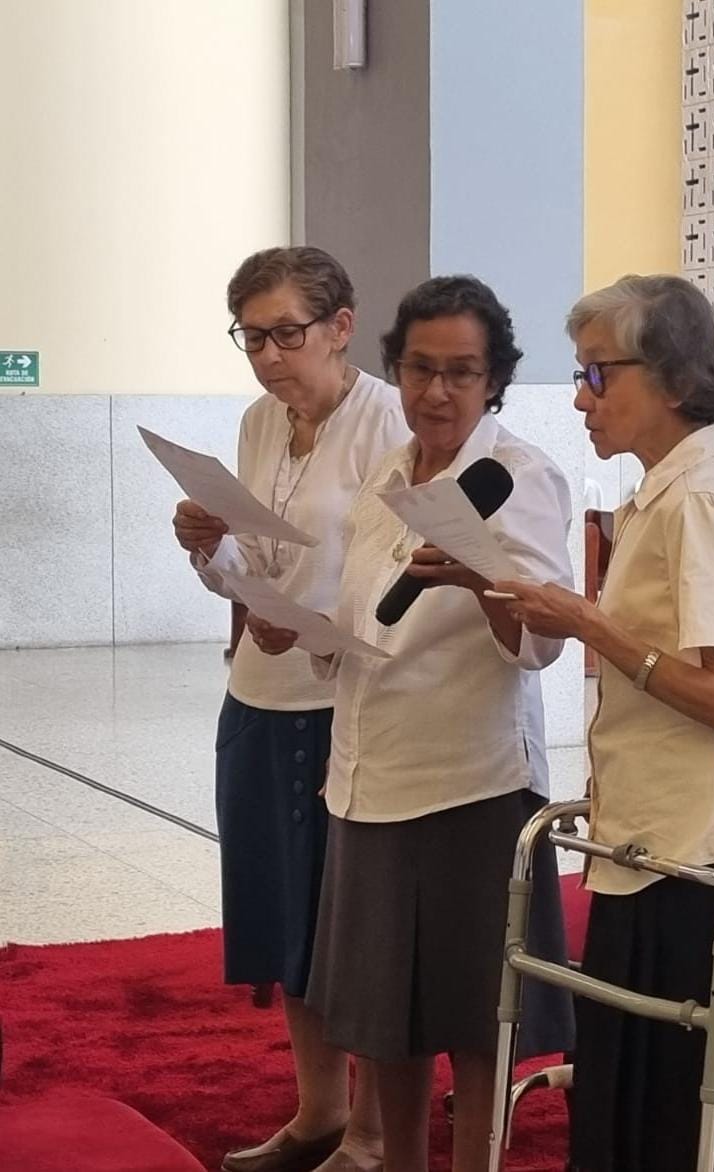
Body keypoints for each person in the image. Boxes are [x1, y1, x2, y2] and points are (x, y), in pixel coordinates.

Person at [497, 274, 714, 1172]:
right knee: (640, 1104)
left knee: (689, 1119)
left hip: (700, 857)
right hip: (653, 843)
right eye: (580, 373)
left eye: (598, 374)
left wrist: (589, 622)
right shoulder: (665, 494)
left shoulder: (697, 502)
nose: (580, 397)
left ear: (672, 379)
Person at [260, 275, 575, 1172]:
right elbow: (364, 615)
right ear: (395, 370)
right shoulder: (388, 477)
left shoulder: (520, 478)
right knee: (381, 1015)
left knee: (474, 1017)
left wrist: (481, 579)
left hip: (468, 782)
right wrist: (305, 633)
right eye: (419, 369)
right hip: (368, 776)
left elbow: (543, 642)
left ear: (494, 380)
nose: (437, 392)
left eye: (461, 373)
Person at [171, 246, 410, 1172]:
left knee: (353, 929)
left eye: (286, 334)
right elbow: (259, 565)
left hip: (347, 703)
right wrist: (210, 549)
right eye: (251, 338)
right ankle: (317, 1113)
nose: (269, 357)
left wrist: (314, 629)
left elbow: (402, 579)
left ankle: (374, 1131)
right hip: (260, 694)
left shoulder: (388, 423)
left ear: (341, 327)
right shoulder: (259, 422)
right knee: (286, 923)